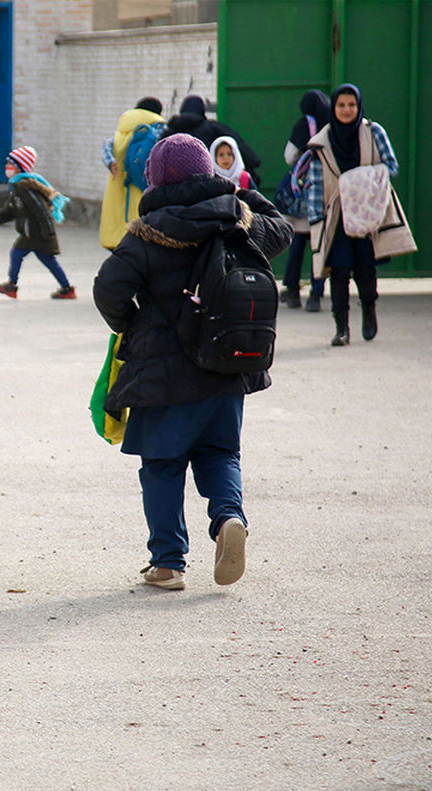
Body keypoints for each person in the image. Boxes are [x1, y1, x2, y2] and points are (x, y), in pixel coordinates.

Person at [92, 133, 292, 590]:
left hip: (162, 377)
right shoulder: (237, 219)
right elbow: (280, 227)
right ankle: (227, 521)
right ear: (209, 173)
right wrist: (236, 191)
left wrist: (132, 323)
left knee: (162, 465)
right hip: (227, 366)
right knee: (220, 453)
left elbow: (109, 290)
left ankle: (168, 562)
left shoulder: (148, 232)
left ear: (156, 180)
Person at [304, 83, 407, 346]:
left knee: (365, 268)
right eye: (341, 105)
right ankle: (342, 329)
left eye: (351, 105)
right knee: (338, 272)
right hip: (336, 216)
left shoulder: (373, 133)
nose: (347, 110)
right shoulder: (322, 141)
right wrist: (316, 218)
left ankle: (369, 311)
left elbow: (391, 166)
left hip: (366, 213)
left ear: (358, 106)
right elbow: (315, 182)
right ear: (333, 108)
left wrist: (358, 181)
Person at [0, 146, 76, 300]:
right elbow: (9, 211)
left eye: (11, 165)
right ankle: (66, 288)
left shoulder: (26, 188)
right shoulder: (17, 188)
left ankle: (12, 286)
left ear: (20, 168)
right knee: (43, 259)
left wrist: (48, 232)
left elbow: (42, 210)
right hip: (30, 233)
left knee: (22, 255)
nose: (7, 168)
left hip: (37, 234)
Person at [280, 89, 330, 311]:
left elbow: (289, 156)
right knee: (320, 245)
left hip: (304, 194)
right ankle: (316, 295)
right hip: (327, 191)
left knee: (298, 243)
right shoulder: (334, 122)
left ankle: (292, 291)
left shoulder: (305, 124)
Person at [99, 97, 165, 250]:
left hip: (118, 185)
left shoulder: (122, 129)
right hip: (140, 185)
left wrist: (111, 163)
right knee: (139, 227)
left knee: (118, 225)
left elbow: (107, 147)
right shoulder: (156, 128)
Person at [164, 95, 262, 186]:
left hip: (177, 183)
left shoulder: (170, 132)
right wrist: (253, 166)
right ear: (202, 111)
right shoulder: (212, 128)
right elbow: (238, 144)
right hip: (207, 182)